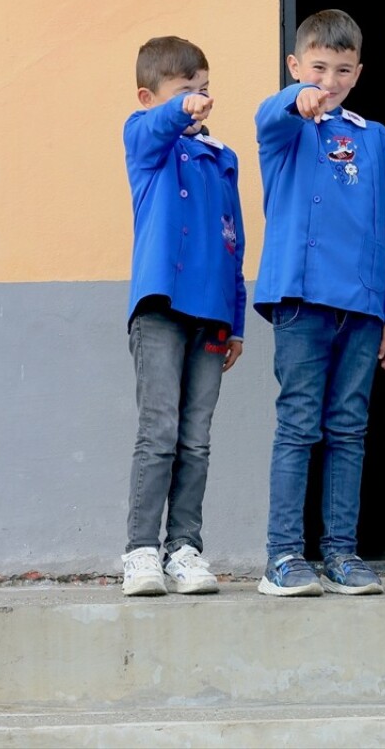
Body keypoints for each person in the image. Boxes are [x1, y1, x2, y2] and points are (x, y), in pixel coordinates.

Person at [253, 9, 385, 597]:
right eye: (318, 68)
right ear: (295, 65)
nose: (331, 80)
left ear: (359, 72)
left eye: (343, 70)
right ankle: (283, 556)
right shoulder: (287, 129)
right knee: (298, 424)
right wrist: (296, 101)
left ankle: (342, 551)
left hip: (363, 306)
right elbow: (267, 116)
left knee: (348, 428)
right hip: (300, 299)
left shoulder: (374, 138)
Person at [120, 36, 247, 597]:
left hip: (212, 315)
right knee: (160, 432)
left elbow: (233, 243)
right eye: (185, 90)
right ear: (148, 96)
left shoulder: (222, 158)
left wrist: (236, 322)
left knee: (197, 438)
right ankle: (140, 550)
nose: (199, 99)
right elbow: (154, 128)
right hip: (160, 309)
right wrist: (178, 111)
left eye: (205, 89)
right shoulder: (146, 140)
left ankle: (184, 548)